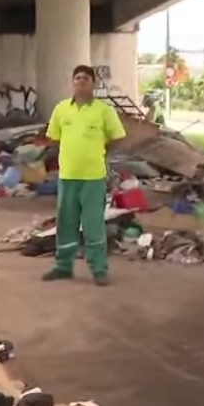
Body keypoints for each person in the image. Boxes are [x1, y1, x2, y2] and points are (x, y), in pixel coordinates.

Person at [42, 65, 126, 286]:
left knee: (93, 224)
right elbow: (54, 137)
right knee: (66, 223)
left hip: (93, 178)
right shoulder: (61, 109)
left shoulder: (103, 111)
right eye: (77, 78)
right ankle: (63, 266)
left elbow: (118, 136)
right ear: (73, 82)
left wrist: (102, 150)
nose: (81, 81)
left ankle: (99, 269)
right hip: (68, 176)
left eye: (86, 78)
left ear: (93, 84)